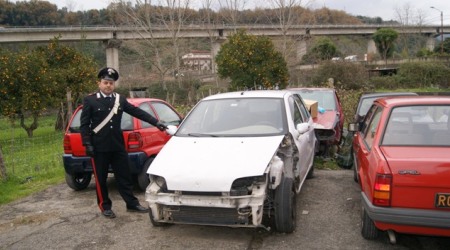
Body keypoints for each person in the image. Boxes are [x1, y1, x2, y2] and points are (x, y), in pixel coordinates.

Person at [80, 67, 167, 218]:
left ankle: (131, 204)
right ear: (99, 83)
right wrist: (87, 143)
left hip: (117, 145)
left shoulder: (119, 99)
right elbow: (84, 124)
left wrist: (156, 122)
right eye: (105, 82)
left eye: (111, 83)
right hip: (99, 147)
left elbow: (136, 112)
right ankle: (105, 206)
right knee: (101, 179)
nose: (108, 85)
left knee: (124, 176)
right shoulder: (90, 100)